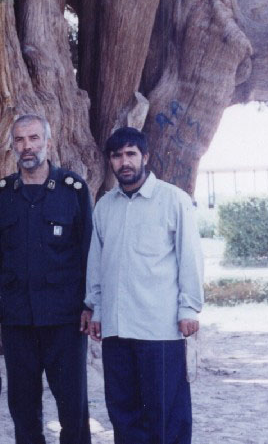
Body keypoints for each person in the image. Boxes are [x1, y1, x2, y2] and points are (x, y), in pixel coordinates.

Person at [0, 114, 93, 444]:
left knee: (73, 407)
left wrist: (90, 305)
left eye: (34, 138)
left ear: (48, 143)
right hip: (18, 320)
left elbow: (88, 253)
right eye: (20, 140)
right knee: (23, 408)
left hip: (65, 320)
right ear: (13, 146)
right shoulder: (2, 195)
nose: (27, 146)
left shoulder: (72, 190)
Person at [84, 126, 204, 444]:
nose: (124, 162)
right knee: (123, 412)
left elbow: (190, 257)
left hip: (159, 329)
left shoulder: (173, 200)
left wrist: (189, 308)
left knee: (165, 414)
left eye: (131, 154)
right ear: (110, 161)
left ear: (145, 157)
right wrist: (96, 309)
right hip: (117, 329)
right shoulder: (104, 207)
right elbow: (97, 263)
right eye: (117, 156)